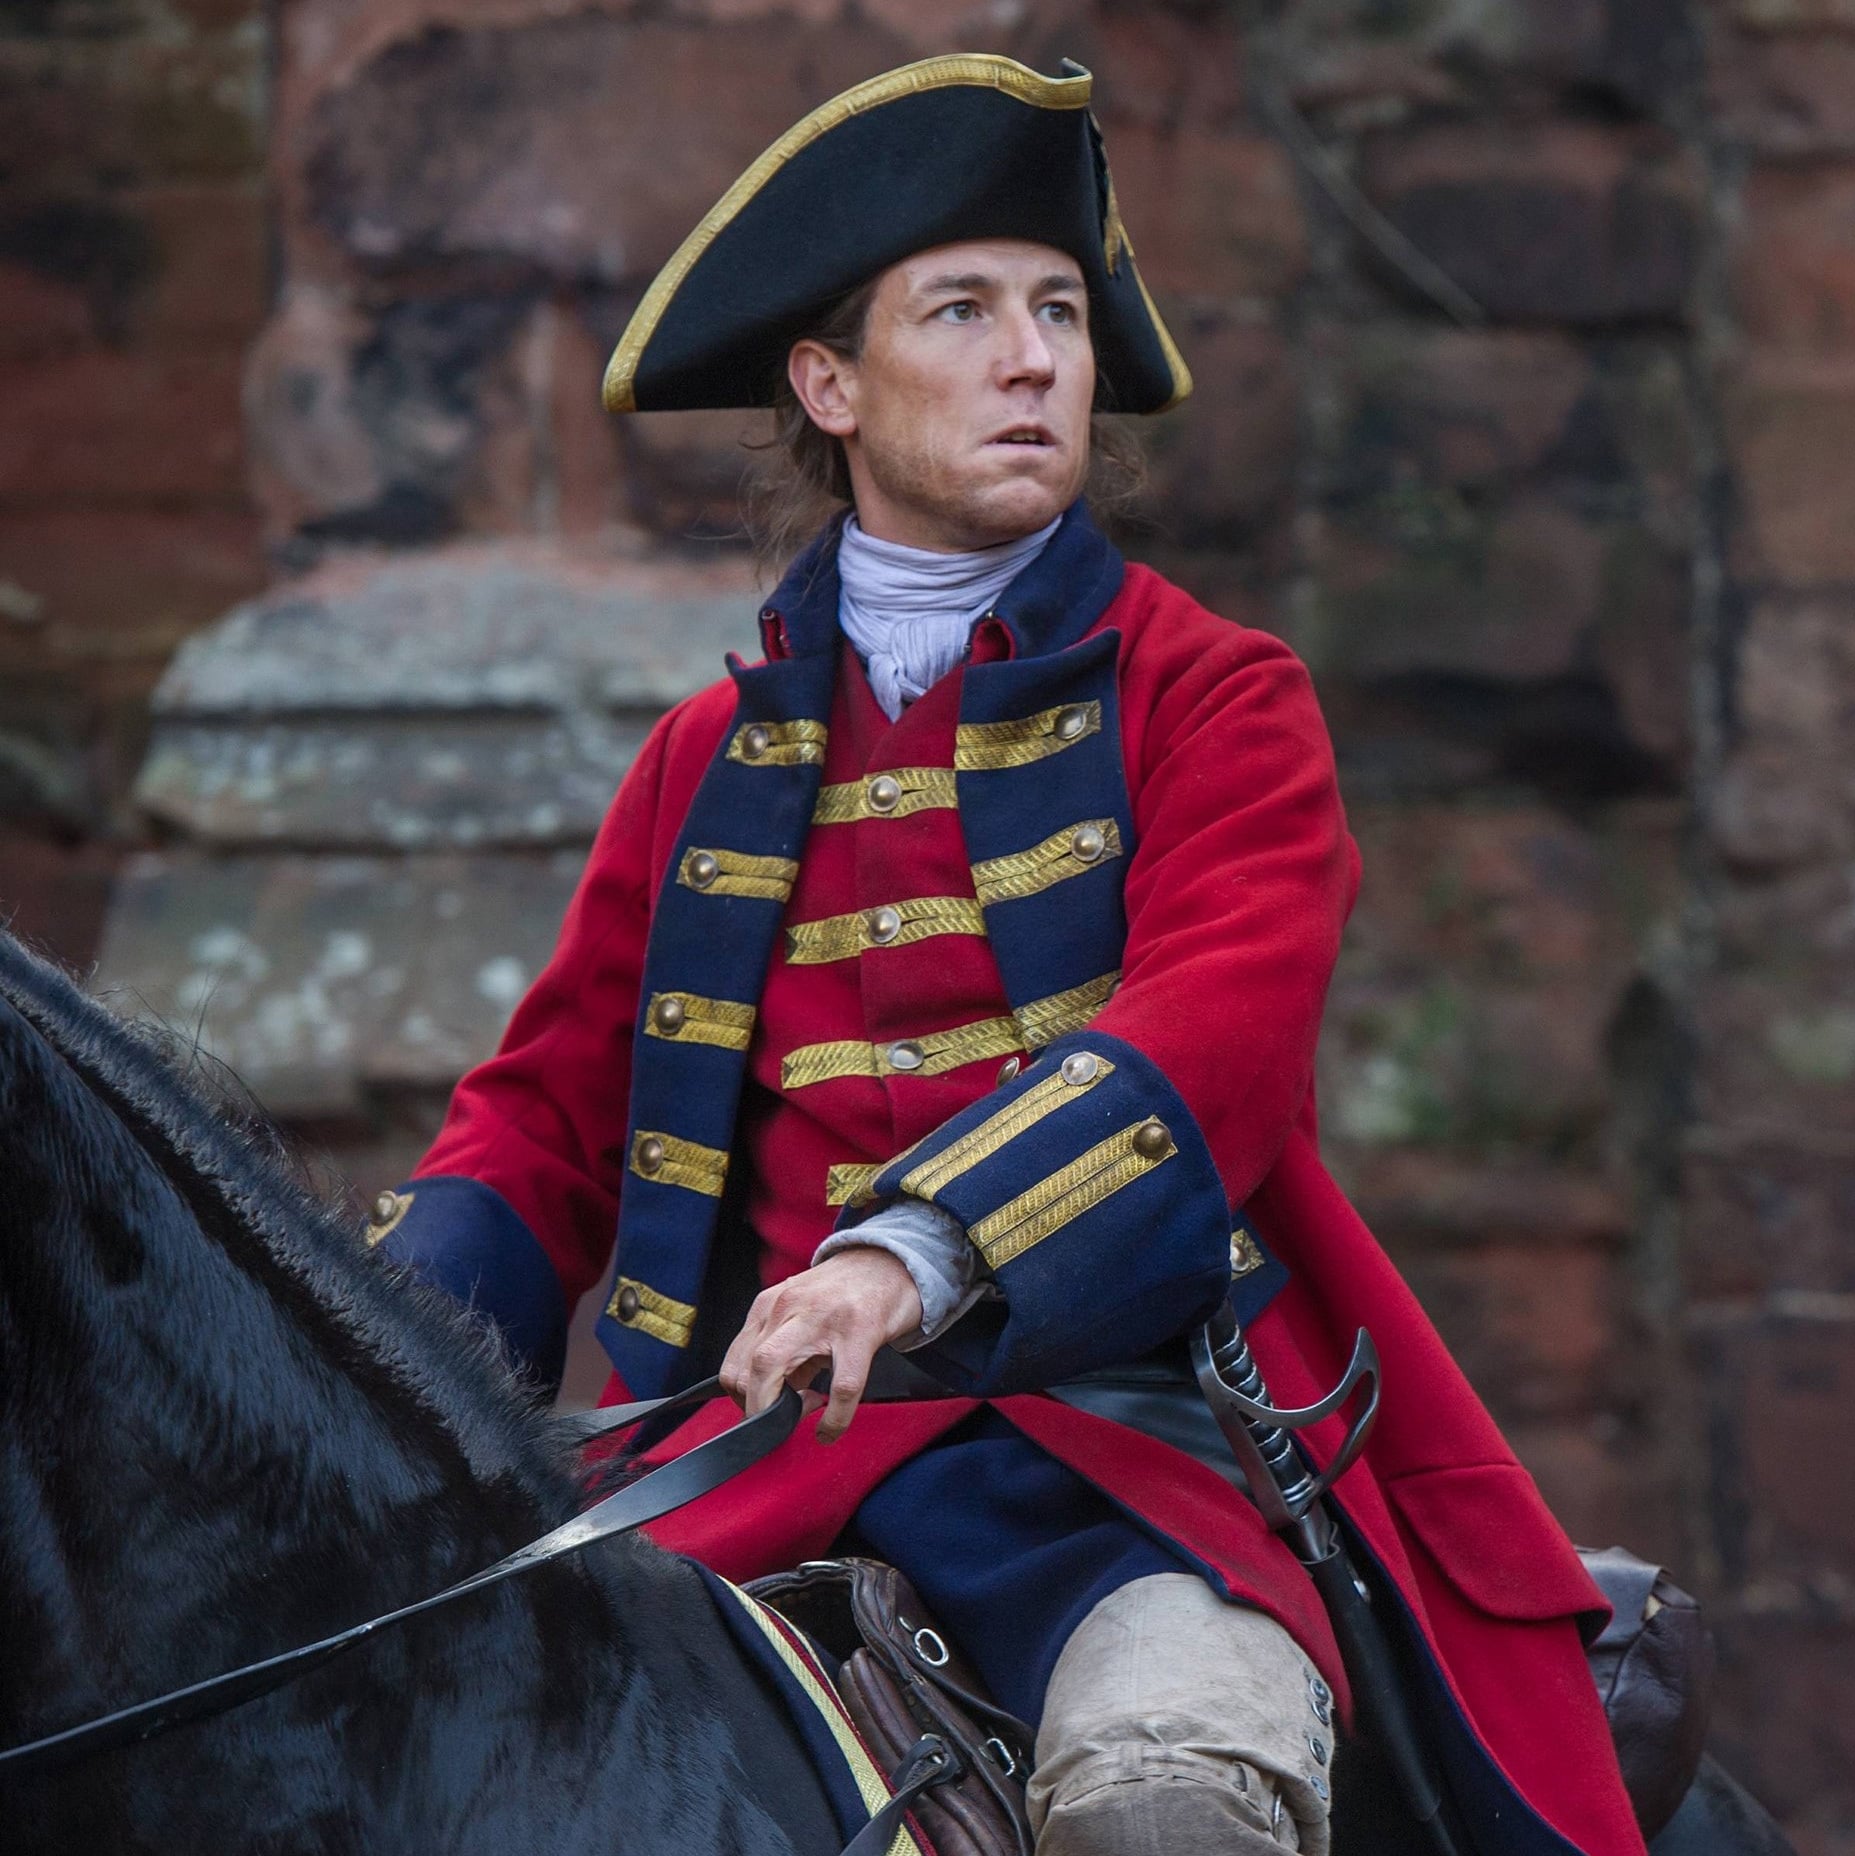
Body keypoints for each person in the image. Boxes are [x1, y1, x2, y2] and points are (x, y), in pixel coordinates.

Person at [366, 52, 1642, 1856]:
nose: (1033, 357)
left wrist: (909, 1256)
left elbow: (1216, 1034)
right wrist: (343, 1372)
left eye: (1058, 310)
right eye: (962, 310)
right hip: (732, 1489)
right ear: (830, 385)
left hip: (1130, 1478)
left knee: (1168, 1797)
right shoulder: (698, 766)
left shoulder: (1217, 697)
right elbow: (538, 1129)